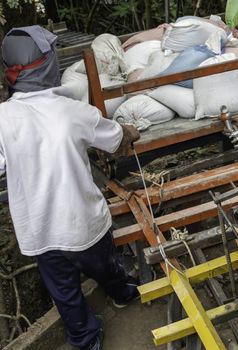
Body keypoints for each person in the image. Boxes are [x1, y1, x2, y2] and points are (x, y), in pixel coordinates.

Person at [0, 26, 140, 350]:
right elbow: (115, 138)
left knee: (64, 292)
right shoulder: (73, 111)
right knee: (107, 267)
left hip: (39, 231)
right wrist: (129, 132)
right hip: (82, 224)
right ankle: (122, 294)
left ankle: (85, 338)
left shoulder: (3, 118)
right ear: (49, 65)